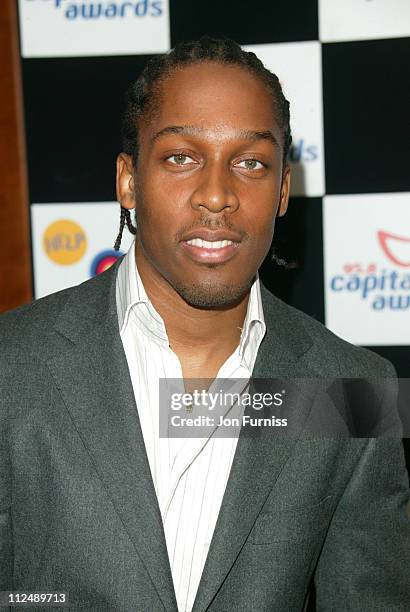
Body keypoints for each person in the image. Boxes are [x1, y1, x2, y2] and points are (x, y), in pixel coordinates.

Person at [0, 37, 409, 612]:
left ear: (284, 189)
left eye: (251, 163)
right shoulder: (11, 365)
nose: (217, 195)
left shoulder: (355, 390)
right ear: (127, 181)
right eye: (180, 158)